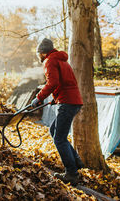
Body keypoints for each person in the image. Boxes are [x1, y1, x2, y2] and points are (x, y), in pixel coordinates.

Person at [31, 38, 84, 185]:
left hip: (68, 102)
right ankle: (76, 161)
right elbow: (64, 83)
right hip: (73, 100)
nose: (39, 57)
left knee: (59, 138)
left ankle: (71, 174)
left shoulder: (49, 61)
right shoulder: (62, 60)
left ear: (42, 53)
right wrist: (56, 98)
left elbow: (52, 82)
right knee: (55, 130)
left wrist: (38, 97)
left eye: (39, 54)